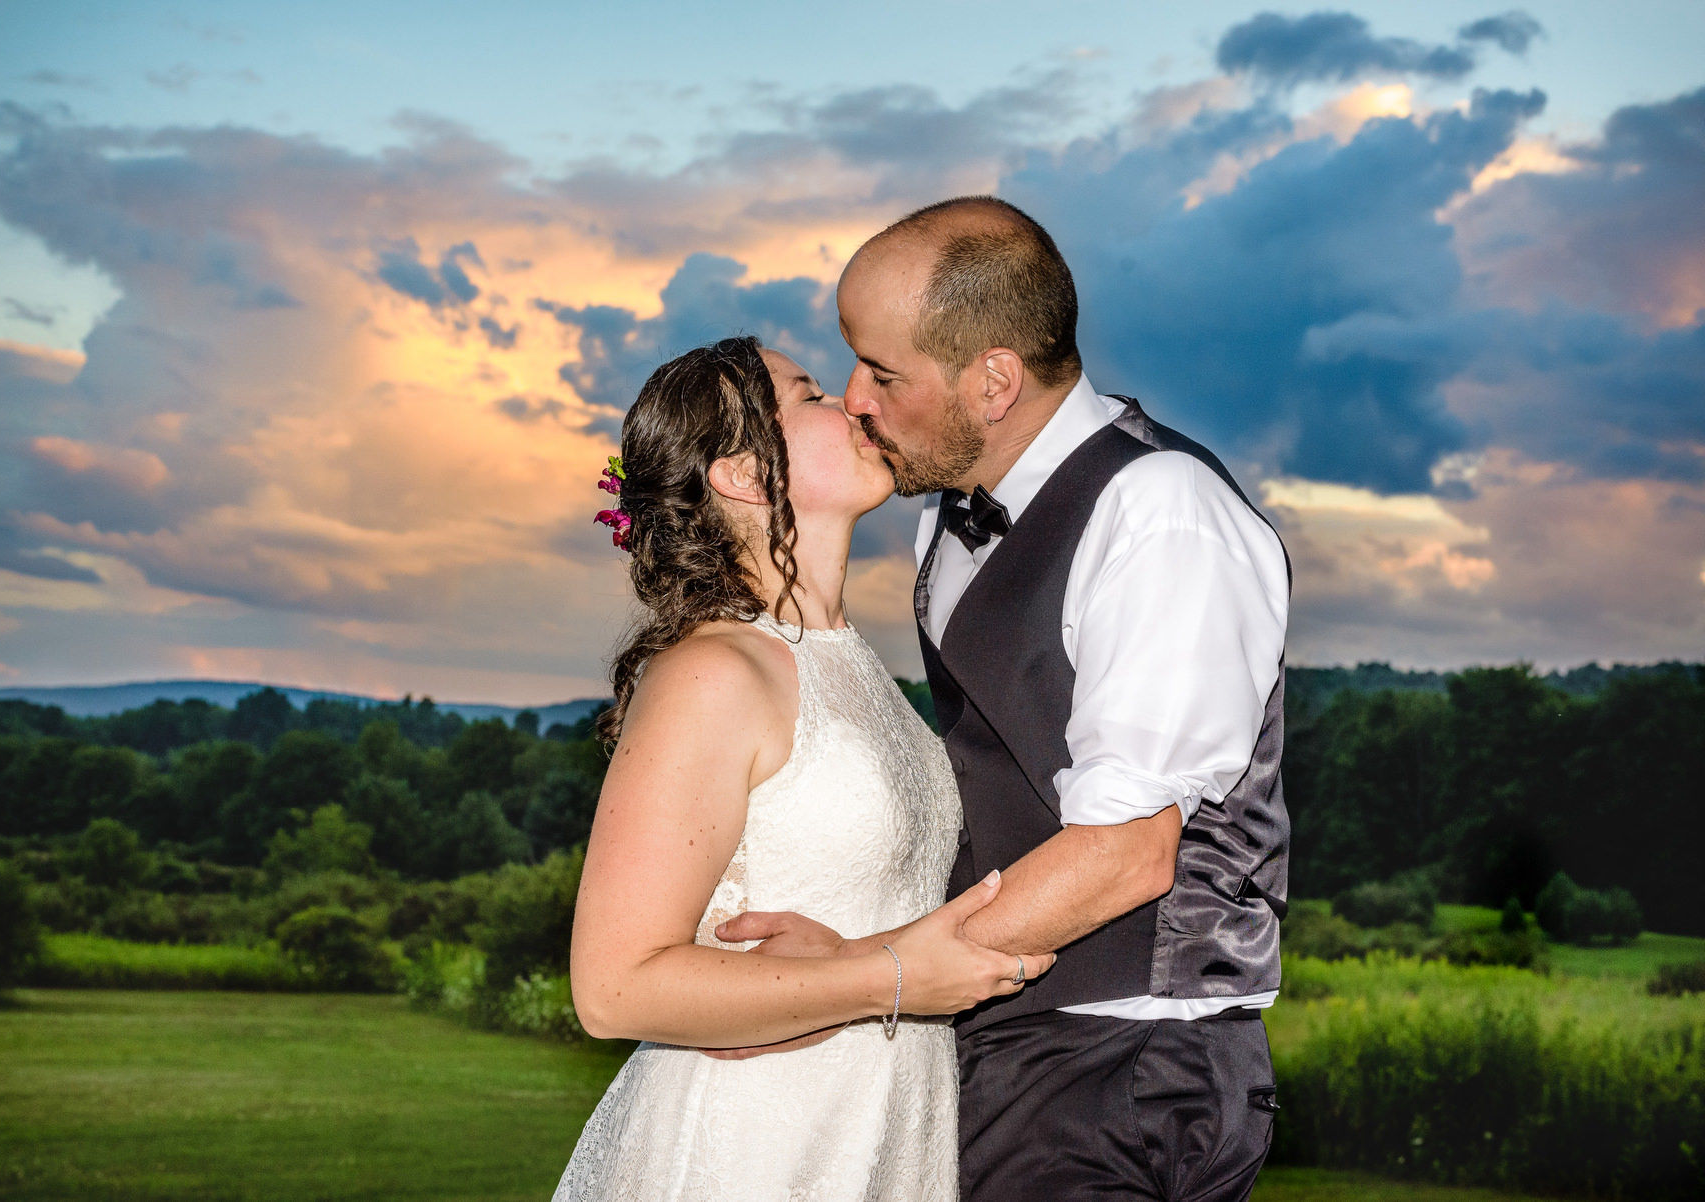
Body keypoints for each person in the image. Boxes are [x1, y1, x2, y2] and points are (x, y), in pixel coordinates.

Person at [714, 196, 1293, 1201]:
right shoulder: (948, 513)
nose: (853, 398)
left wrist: (866, 969)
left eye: (884, 373)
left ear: (993, 379)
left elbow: (1126, 850)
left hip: (1125, 1064)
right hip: (1007, 1039)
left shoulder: (1160, 514)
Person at [552, 335, 1055, 1202]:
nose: (858, 400)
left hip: (879, 1120)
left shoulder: (849, 665)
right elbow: (613, 984)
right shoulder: (715, 673)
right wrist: (891, 978)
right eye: (812, 394)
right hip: (754, 1143)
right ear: (741, 475)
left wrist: (876, 962)